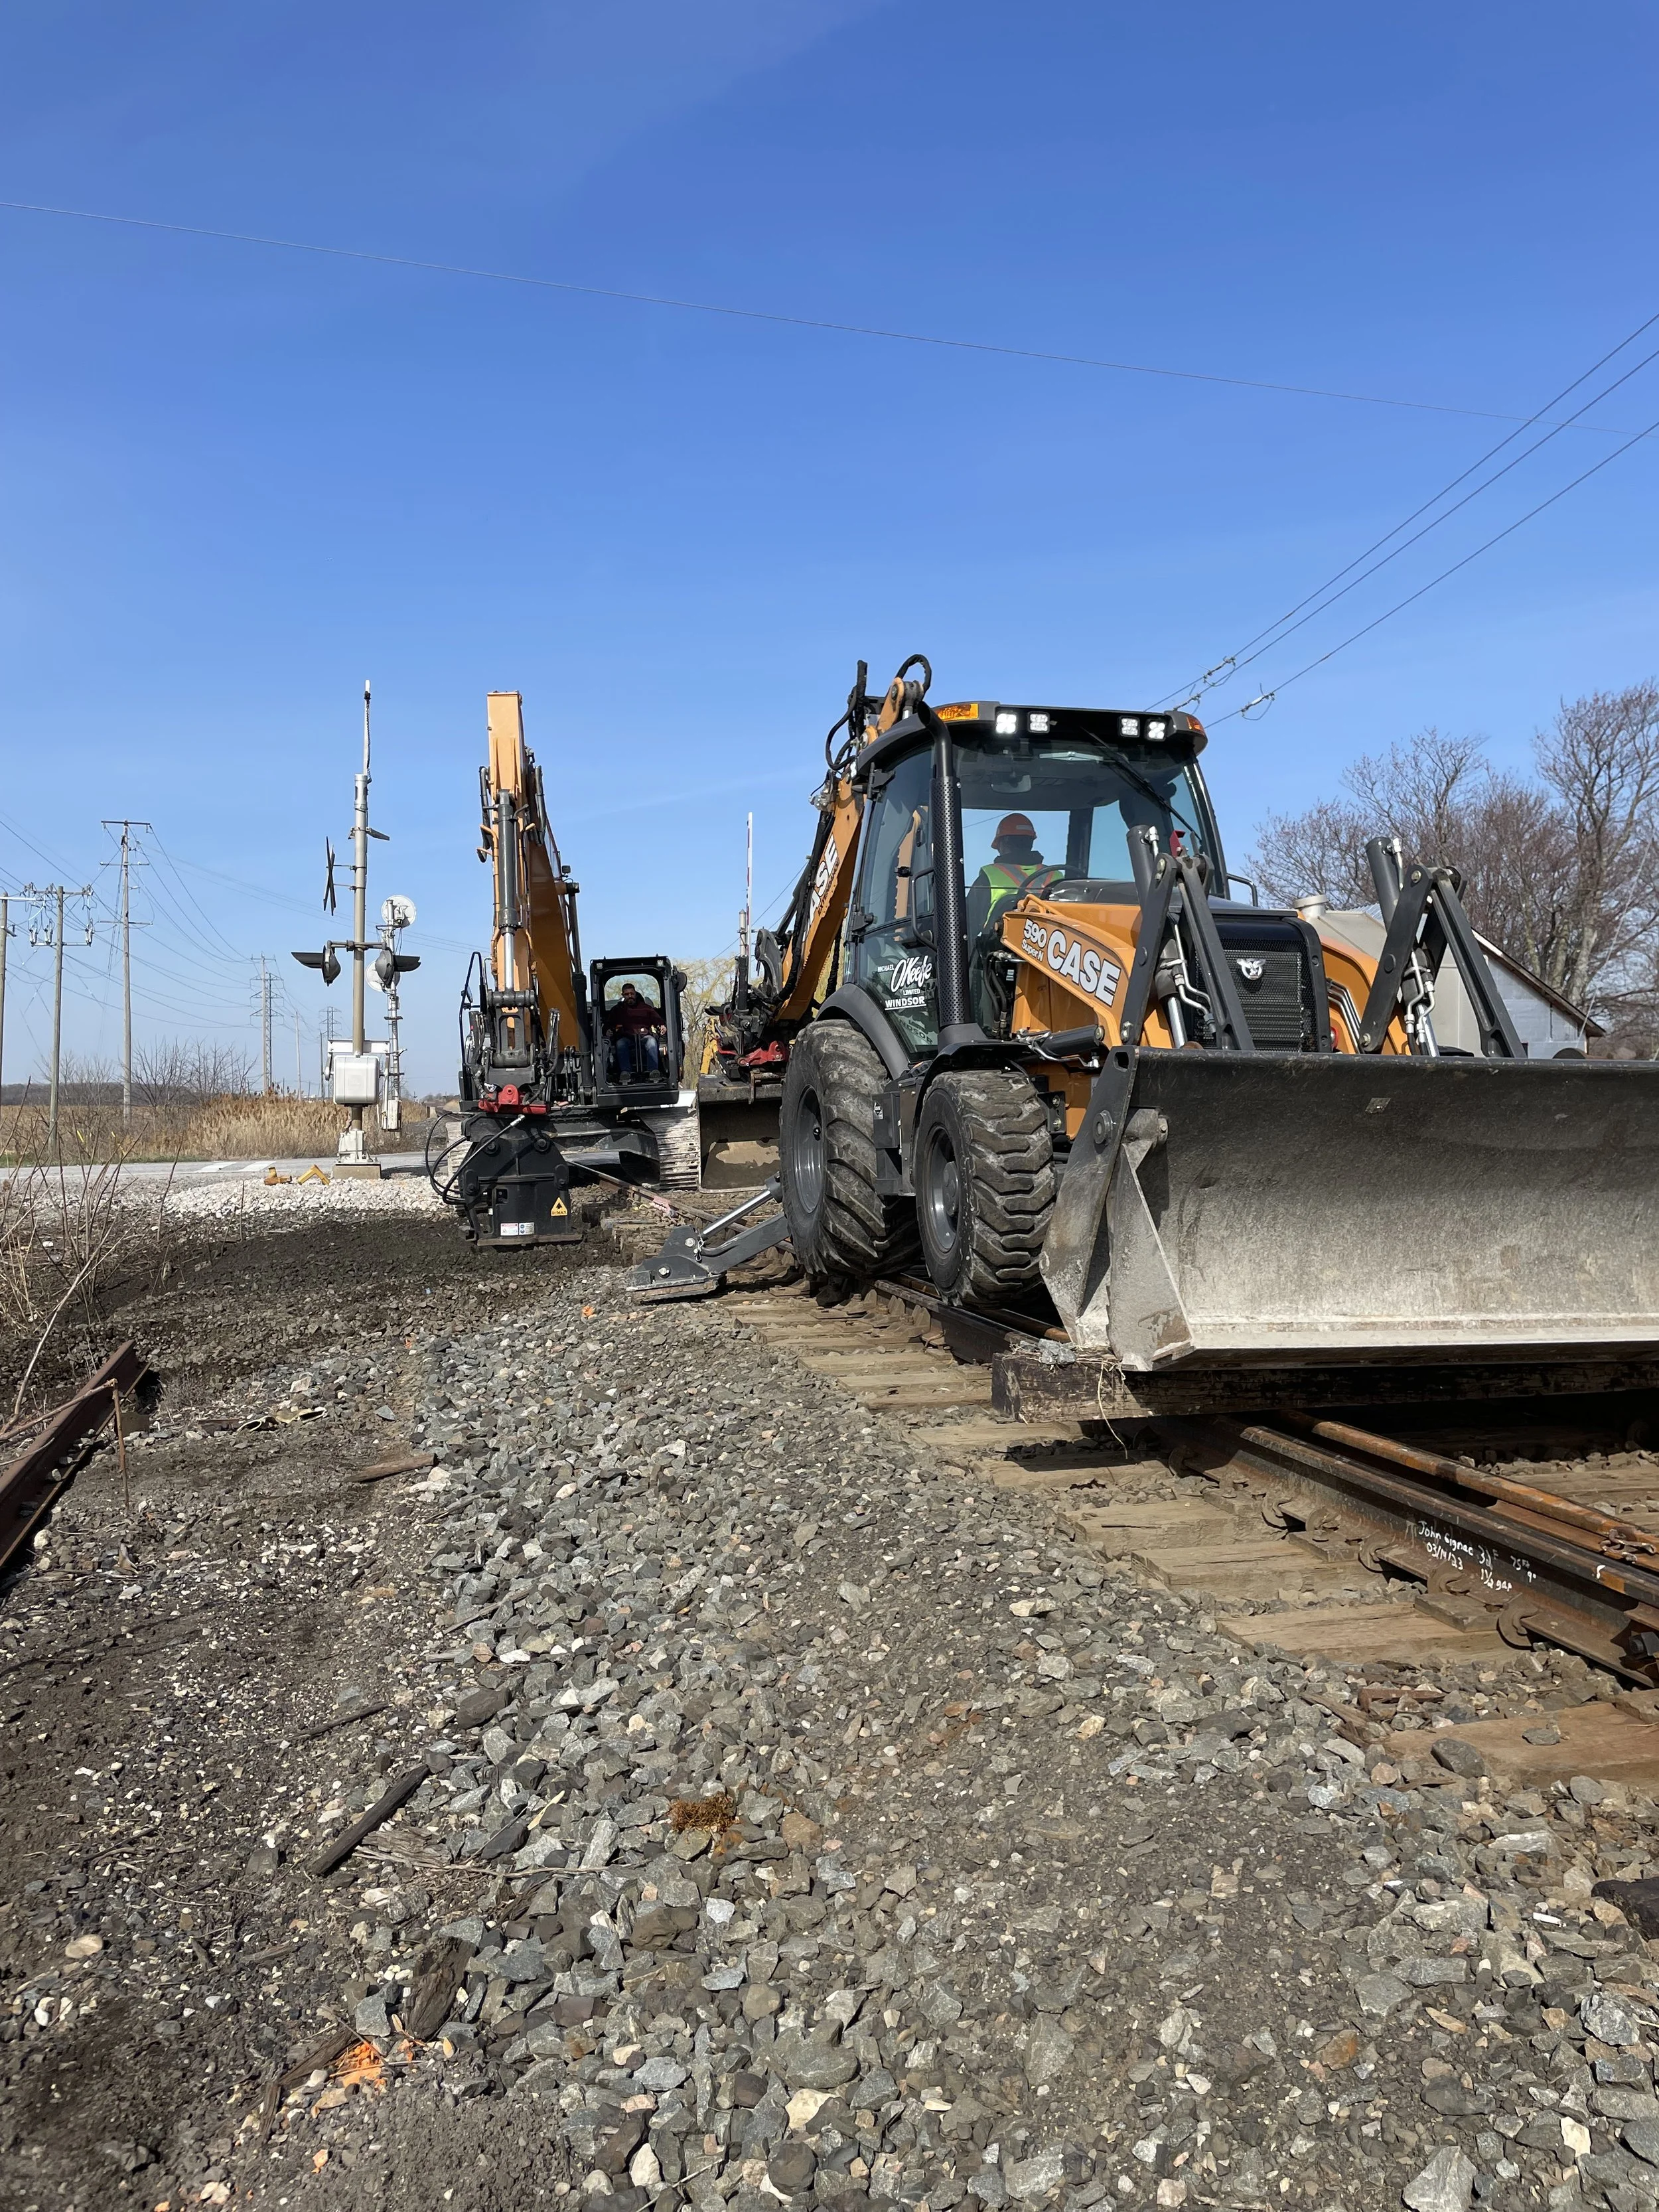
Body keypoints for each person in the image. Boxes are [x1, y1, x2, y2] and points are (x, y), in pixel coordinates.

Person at [966, 813, 1064, 944]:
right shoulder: (1057, 877)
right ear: (1031, 843)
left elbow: (967, 926)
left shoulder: (989, 876)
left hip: (998, 953)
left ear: (1003, 844)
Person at [608, 982, 664, 1079]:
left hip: (644, 1036)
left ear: (635, 993)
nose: (630, 996)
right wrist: (608, 1030)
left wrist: (662, 1025)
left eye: (632, 993)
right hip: (626, 1037)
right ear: (623, 995)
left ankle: (653, 1072)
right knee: (620, 1044)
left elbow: (657, 1019)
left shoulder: (646, 1008)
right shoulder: (617, 1010)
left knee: (652, 1042)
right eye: (627, 994)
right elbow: (608, 1024)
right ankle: (626, 1073)